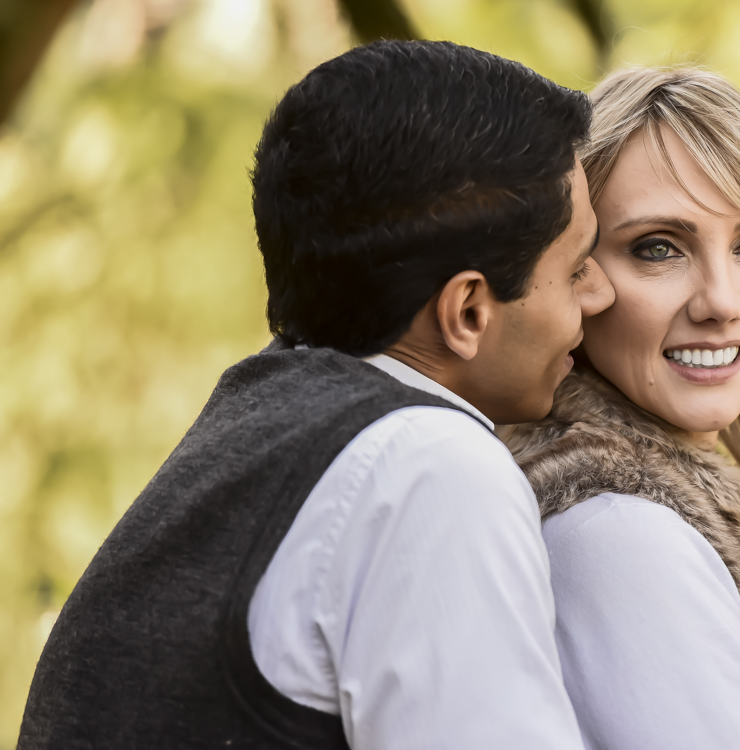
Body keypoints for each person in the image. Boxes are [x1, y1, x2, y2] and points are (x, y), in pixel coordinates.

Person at [18, 40, 614, 749]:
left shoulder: (259, 426)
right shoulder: (431, 469)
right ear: (468, 312)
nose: (600, 293)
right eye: (577, 267)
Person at [503, 66, 740, 750]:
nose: (722, 301)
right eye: (658, 249)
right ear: (573, 274)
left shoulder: (680, 509)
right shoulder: (614, 530)